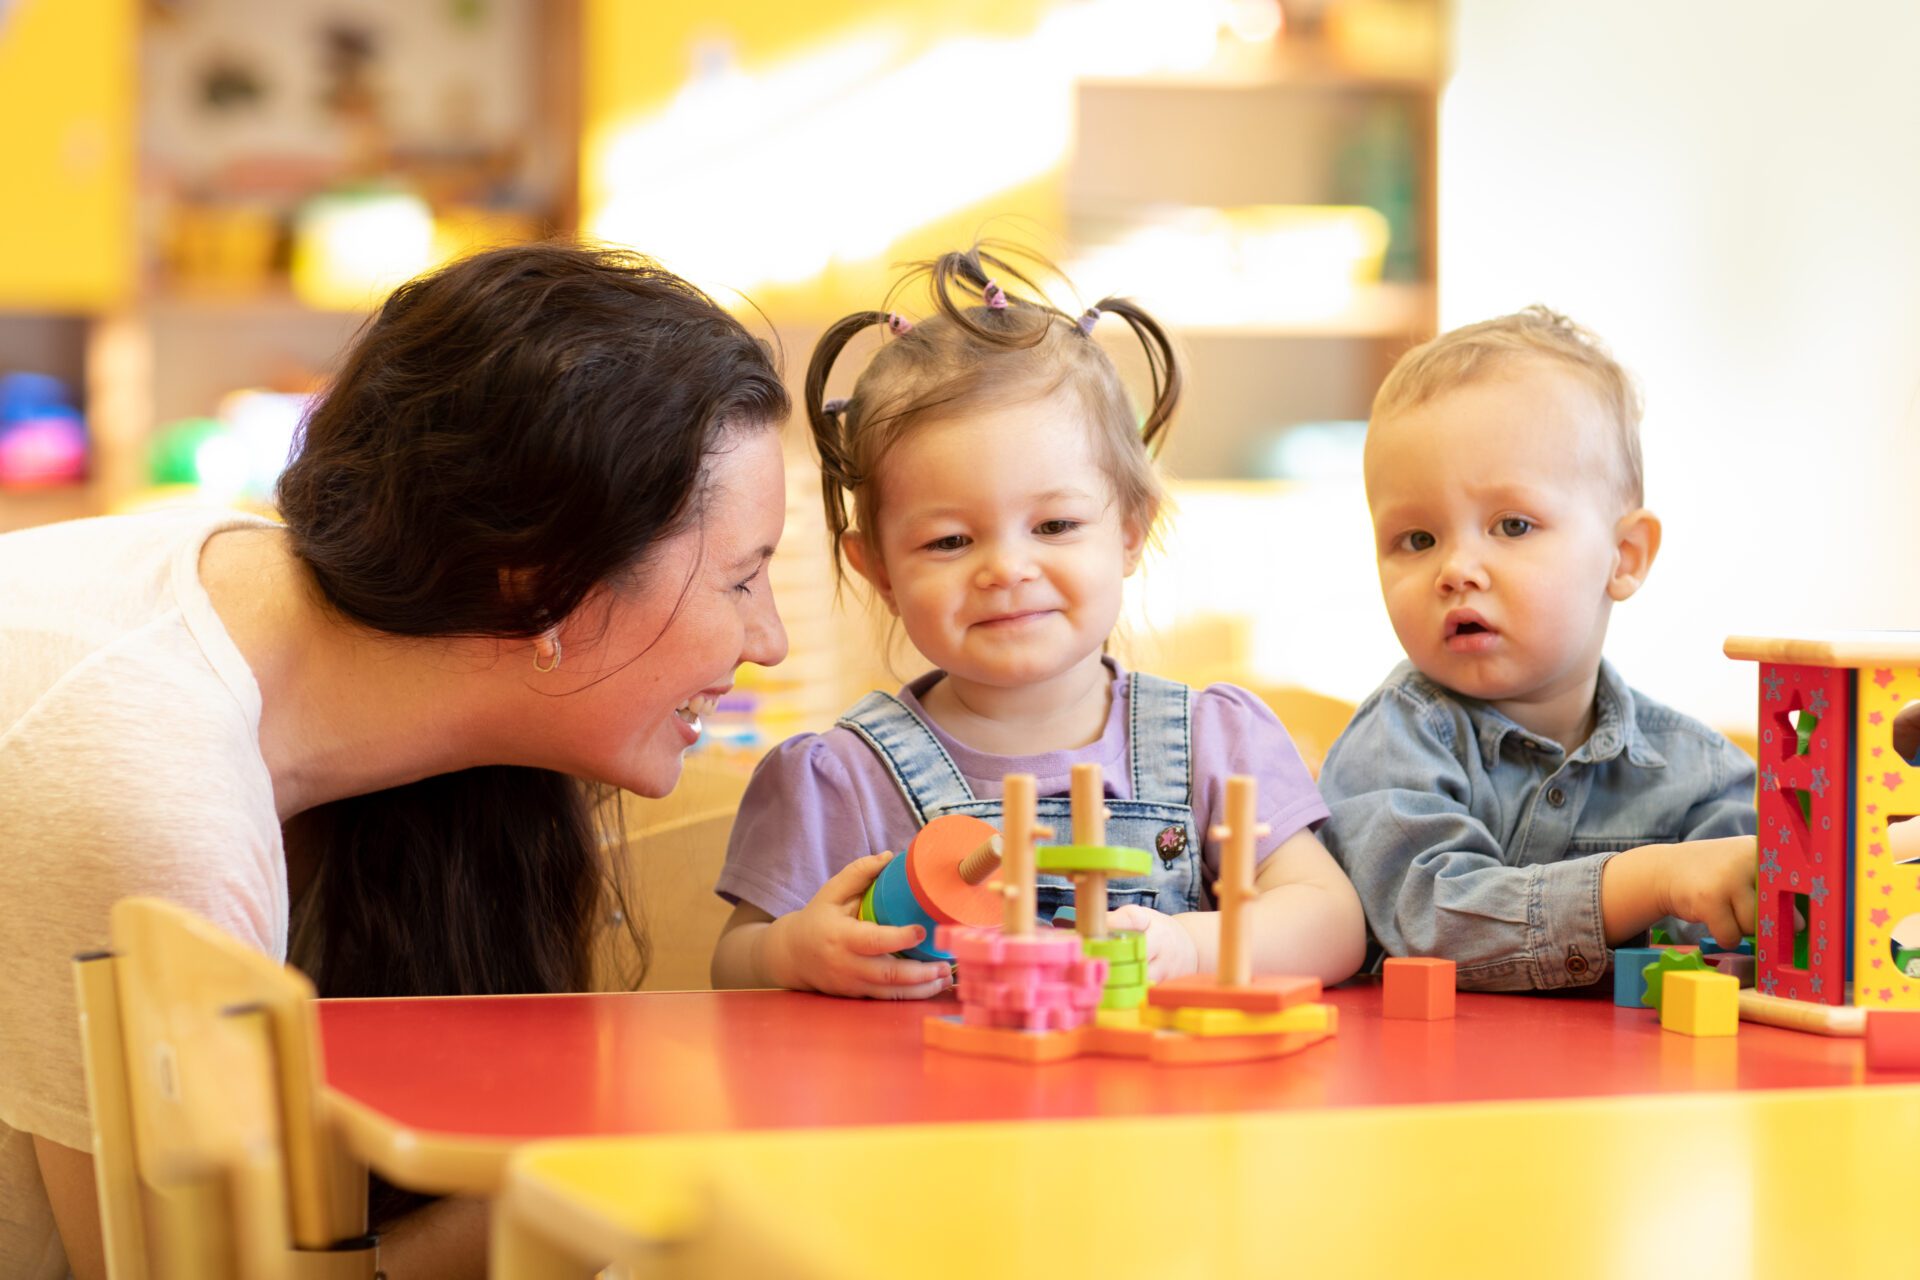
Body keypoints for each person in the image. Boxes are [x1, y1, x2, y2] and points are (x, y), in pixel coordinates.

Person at [0, 242, 791, 1280]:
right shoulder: (147, 781)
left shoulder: (276, 621)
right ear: (541, 584)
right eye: (741, 580)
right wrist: (641, 1149)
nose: (770, 638)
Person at [710, 244, 1366, 998]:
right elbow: (733, 968)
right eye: (950, 541)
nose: (1007, 569)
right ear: (880, 570)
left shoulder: (1218, 746)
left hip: (1167, 1113)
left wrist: (1191, 946)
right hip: (935, 1113)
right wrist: (791, 954)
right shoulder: (839, 782)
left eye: (1053, 526)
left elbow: (1333, 922)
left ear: (1128, 531)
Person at [1318, 306, 1758, 991]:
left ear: (1624, 556)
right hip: (1429, 1090)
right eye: (1417, 539)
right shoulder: (1393, 745)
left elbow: (1772, 921)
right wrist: (1654, 880)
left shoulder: (1700, 775)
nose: (1456, 569)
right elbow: (1432, 923)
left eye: (1512, 525)